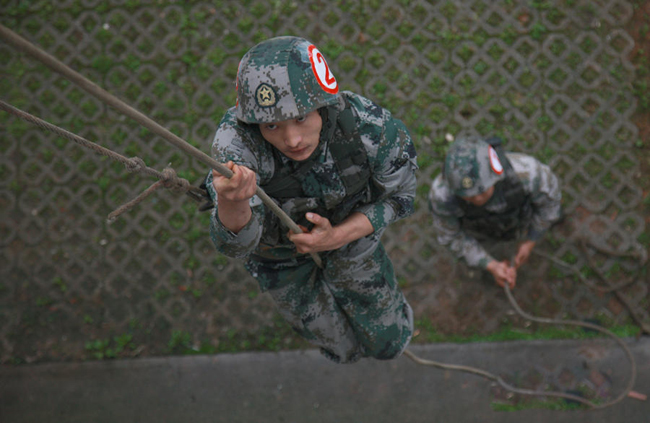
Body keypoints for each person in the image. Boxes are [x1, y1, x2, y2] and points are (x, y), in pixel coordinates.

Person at [203, 36, 418, 364]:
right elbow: (235, 246)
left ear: (323, 104)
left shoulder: (371, 130)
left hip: (350, 240)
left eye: (301, 117)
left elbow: (401, 198)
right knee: (341, 348)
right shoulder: (236, 149)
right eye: (271, 125)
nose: (291, 139)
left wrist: (336, 237)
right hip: (277, 258)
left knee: (388, 343)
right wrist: (233, 201)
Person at [428, 135, 562, 289]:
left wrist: (531, 239)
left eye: (482, 190)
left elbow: (549, 205)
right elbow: (451, 236)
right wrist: (490, 265)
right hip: (480, 233)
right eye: (467, 195)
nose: (477, 199)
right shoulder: (442, 196)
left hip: (523, 218)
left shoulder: (529, 173)